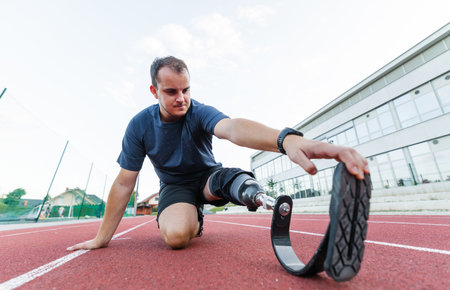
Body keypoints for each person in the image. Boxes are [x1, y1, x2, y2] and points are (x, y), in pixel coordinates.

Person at [68, 56, 369, 251]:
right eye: (171, 92)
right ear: (154, 91)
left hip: (209, 178)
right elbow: (124, 183)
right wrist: (101, 238)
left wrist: (285, 140)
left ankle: (254, 193)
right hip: (175, 186)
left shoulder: (199, 112)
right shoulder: (139, 126)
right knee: (175, 239)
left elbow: (232, 128)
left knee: (226, 179)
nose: (182, 98)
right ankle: (195, 216)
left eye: (186, 89)